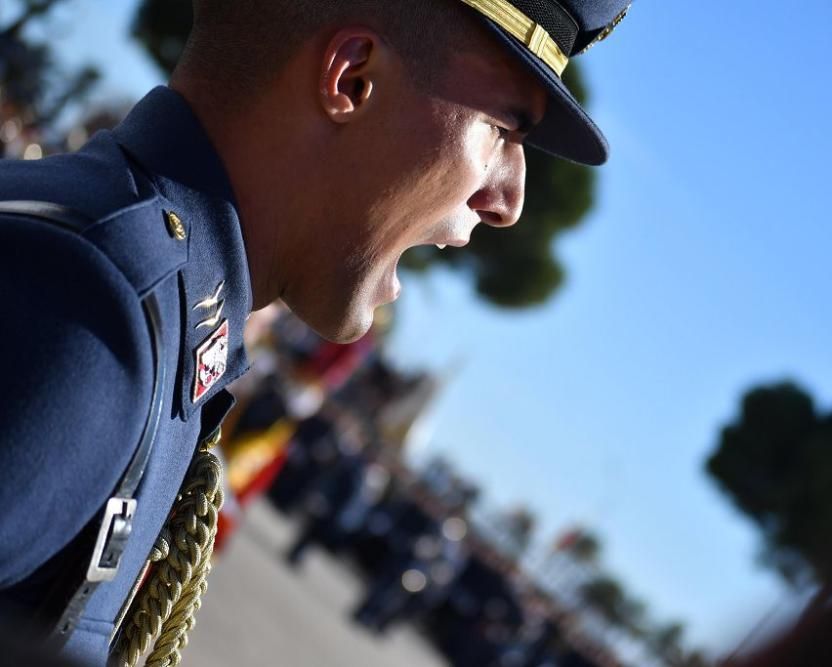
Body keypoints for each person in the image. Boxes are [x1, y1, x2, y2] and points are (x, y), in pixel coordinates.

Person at [0, 0, 634, 664]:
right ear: (352, 79)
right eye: (504, 129)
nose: (508, 201)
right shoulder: (88, 318)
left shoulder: (156, 312)